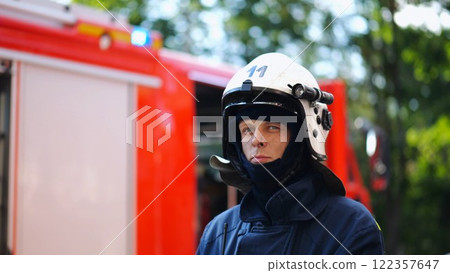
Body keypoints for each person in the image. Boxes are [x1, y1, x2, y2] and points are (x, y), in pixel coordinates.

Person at [196, 52, 385, 255]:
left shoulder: (350, 227)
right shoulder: (218, 234)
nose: (256, 139)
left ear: (304, 135)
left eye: (272, 127)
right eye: (247, 129)